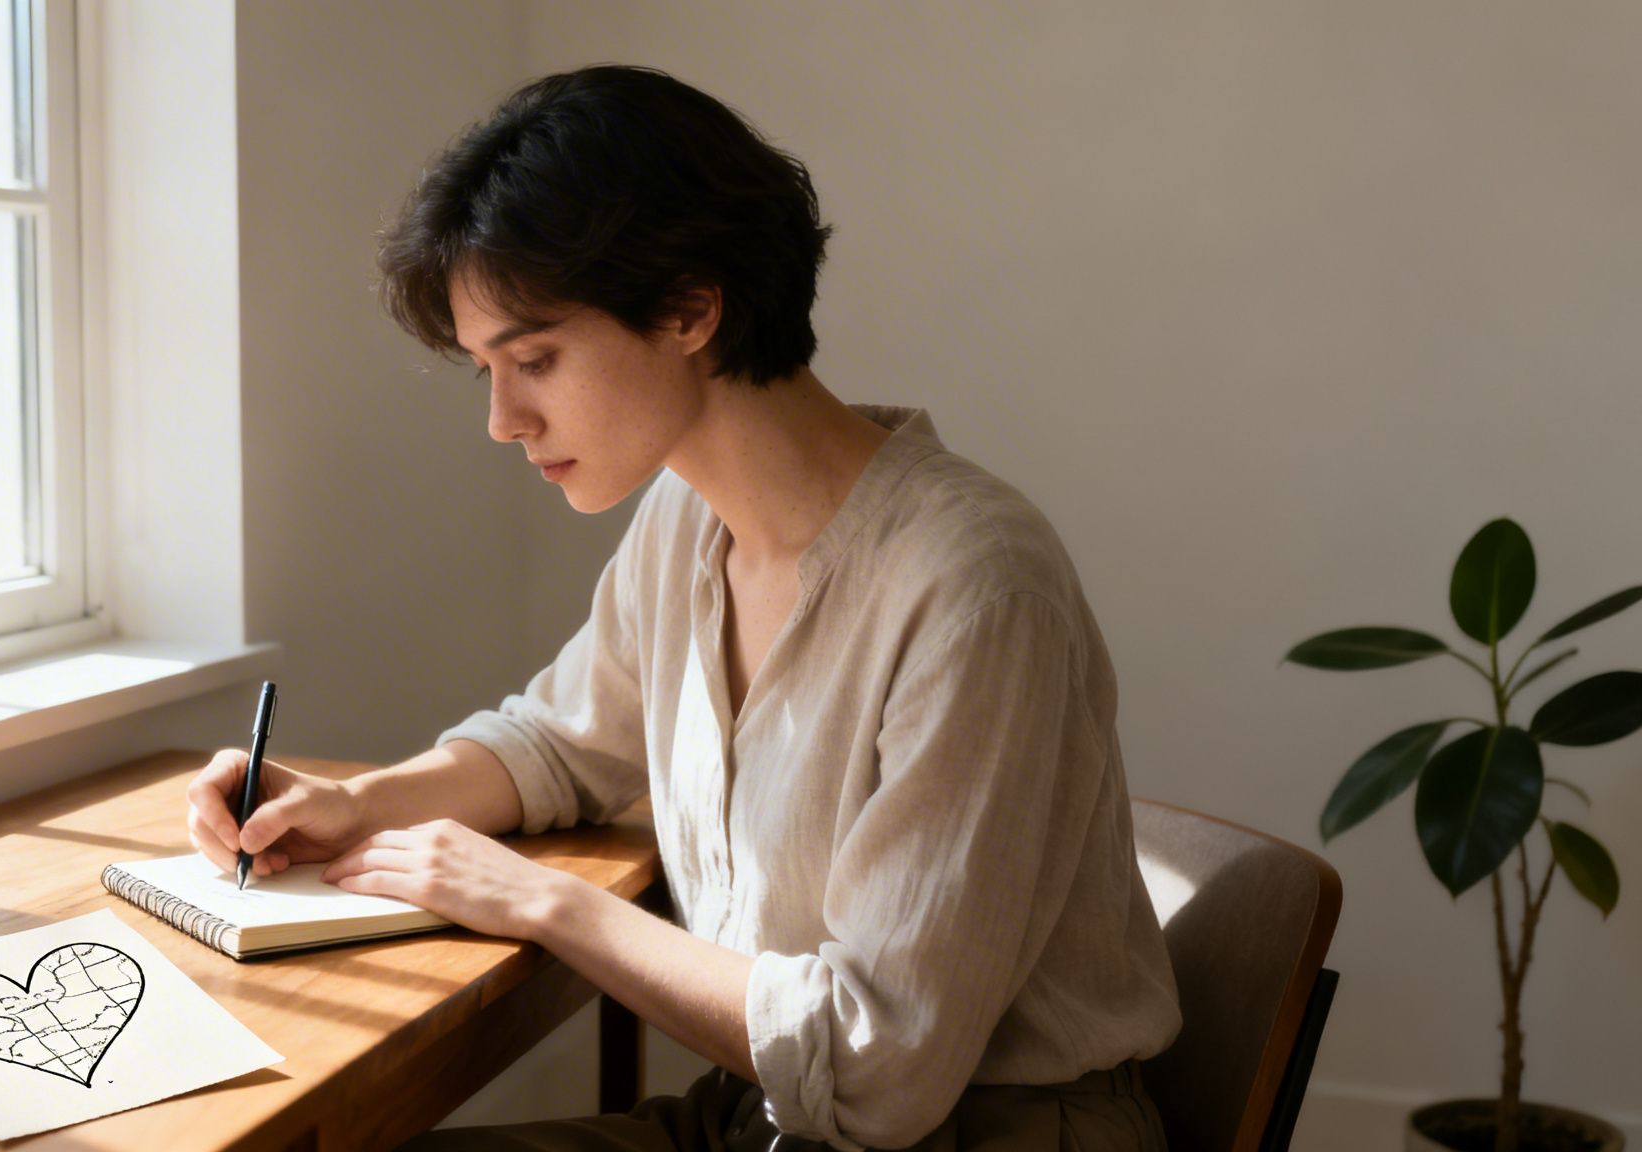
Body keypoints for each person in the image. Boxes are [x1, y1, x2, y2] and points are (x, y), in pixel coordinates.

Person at [187, 65, 1180, 1152]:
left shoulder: (972, 584)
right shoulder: (683, 519)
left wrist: (545, 904)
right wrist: (359, 802)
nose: (504, 419)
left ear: (689, 309)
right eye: (485, 370)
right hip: (759, 1120)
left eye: (533, 359)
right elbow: (562, 744)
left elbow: (876, 1071)